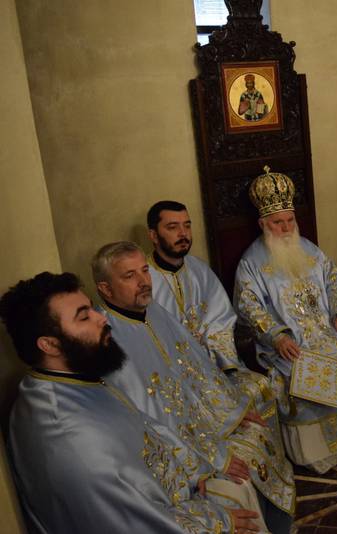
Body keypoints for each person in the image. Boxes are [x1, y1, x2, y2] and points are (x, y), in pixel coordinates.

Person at [0, 272, 265, 533]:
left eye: (92, 308)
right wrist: (217, 522)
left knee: (236, 486)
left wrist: (197, 470)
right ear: (49, 345)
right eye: (84, 317)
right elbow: (131, 522)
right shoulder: (67, 435)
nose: (102, 318)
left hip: (170, 496)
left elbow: (145, 426)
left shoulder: (71, 380)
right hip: (163, 519)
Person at [92, 241, 295, 532]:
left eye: (145, 271)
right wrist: (202, 465)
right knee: (236, 483)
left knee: (258, 433)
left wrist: (232, 411)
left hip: (203, 423)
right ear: (105, 289)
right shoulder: (105, 343)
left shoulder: (155, 312)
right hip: (176, 452)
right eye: (129, 276)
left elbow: (199, 368)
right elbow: (140, 420)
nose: (144, 281)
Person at [234, 167, 337, 474]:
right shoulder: (251, 263)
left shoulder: (310, 250)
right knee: (300, 369)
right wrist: (277, 336)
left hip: (327, 329)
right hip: (291, 342)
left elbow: (335, 281)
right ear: (263, 223)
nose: (286, 228)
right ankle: (315, 452)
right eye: (278, 222)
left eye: (290, 220)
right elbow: (249, 307)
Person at [146, 200, 270, 399]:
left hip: (213, 363)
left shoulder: (200, 270)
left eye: (187, 225)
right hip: (175, 374)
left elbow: (221, 320)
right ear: (153, 235)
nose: (183, 233)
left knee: (261, 386)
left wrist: (210, 353)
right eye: (173, 227)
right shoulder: (144, 280)